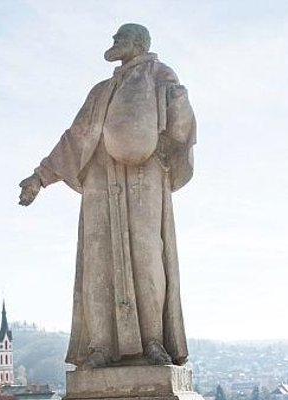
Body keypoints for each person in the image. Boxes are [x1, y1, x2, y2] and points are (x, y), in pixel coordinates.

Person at [17, 23, 195, 369]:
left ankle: (153, 341)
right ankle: (100, 346)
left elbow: (183, 126)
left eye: (120, 38)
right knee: (98, 263)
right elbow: (75, 137)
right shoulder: (101, 91)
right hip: (100, 177)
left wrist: (171, 140)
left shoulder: (160, 76)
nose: (113, 43)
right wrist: (39, 178)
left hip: (144, 175)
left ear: (139, 43)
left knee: (147, 258)